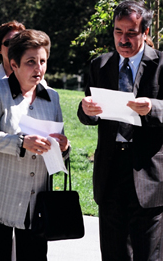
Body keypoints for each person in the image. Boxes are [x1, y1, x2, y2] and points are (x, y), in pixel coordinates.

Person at [0, 29, 69, 261]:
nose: (38, 68)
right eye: (31, 62)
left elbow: (57, 142)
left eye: (42, 61)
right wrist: (22, 143)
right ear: (14, 64)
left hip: (36, 202)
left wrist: (63, 147)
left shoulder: (52, 96)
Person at [78, 1, 163, 260]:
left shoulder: (161, 65)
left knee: (149, 254)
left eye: (131, 33)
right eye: (118, 31)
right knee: (113, 253)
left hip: (148, 172)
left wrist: (153, 108)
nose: (123, 39)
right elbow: (87, 115)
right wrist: (86, 110)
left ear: (145, 32)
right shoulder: (100, 65)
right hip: (110, 170)